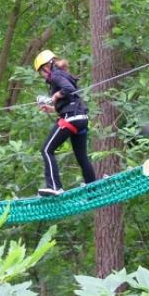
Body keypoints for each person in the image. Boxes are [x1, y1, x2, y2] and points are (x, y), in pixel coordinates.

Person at [33, 50, 96, 196]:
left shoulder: (55, 75)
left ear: (46, 67)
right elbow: (71, 100)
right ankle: (93, 189)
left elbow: (69, 89)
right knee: (82, 157)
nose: (42, 75)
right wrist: (52, 108)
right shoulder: (63, 74)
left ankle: (55, 187)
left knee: (46, 150)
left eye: (41, 72)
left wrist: (55, 96)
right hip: (80, 119)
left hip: (70, 119)